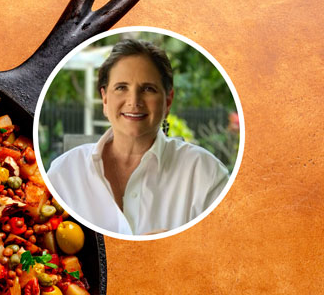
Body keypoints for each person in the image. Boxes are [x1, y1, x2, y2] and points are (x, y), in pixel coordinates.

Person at [47, 39, 230, 236]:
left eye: (148, 89)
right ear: (105, 99)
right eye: (121, 87)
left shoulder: (206, 174)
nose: (134, 101)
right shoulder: (64, 172)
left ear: (168, 101)